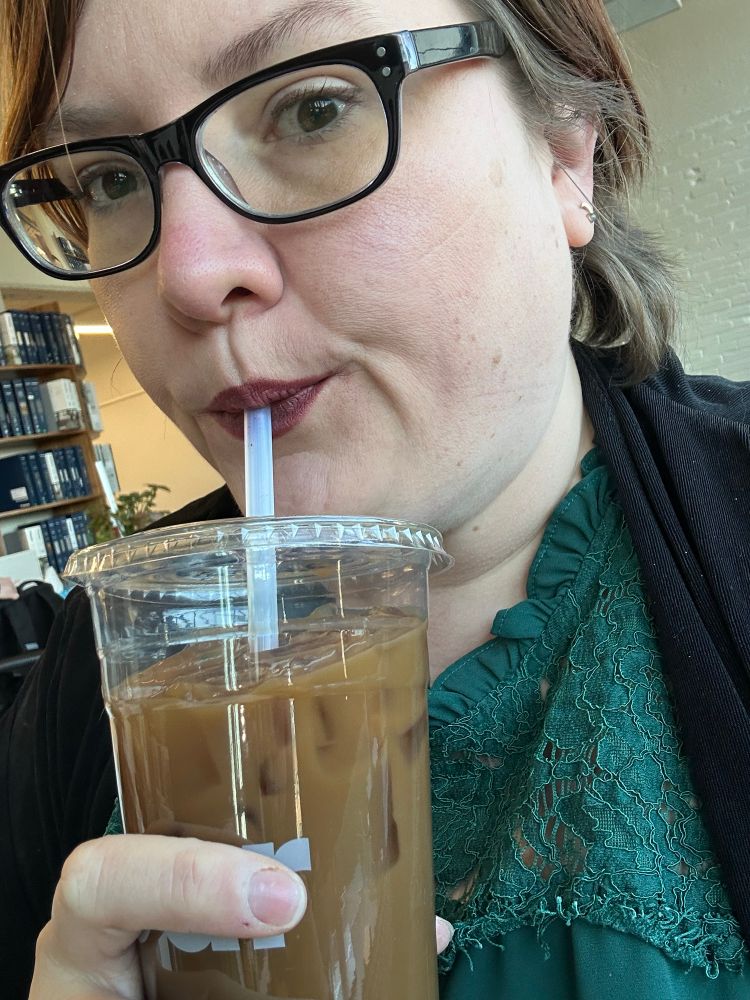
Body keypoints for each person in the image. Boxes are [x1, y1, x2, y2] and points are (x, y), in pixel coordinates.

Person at [0, 0, 749, 997]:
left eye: (313, 109)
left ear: (567, 145)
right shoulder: (98, 668)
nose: (186, 272)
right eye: (109, 175)